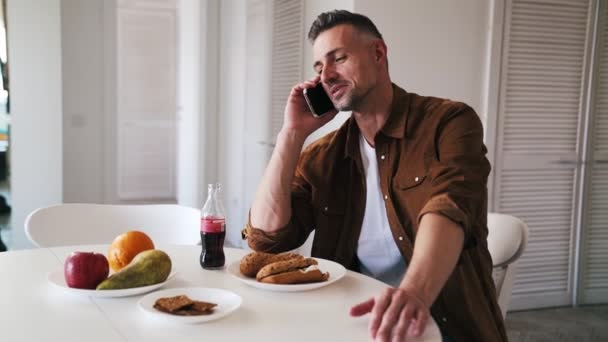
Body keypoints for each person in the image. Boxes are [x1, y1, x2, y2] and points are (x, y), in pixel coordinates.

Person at [242, 10, 507, 342]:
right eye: (319, 68)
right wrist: (291, 135)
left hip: (442, 319)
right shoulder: (324, 155)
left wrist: (412, 294)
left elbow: (450, 205)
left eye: (338, 59)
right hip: (352, 322)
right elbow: (267, 237)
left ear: (378, 53)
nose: (327, 75)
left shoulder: (449, 122)